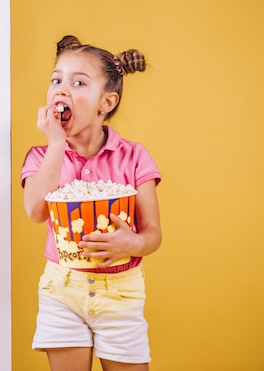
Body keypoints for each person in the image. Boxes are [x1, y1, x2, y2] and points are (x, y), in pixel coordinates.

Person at [20, 35, 162, 371]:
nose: (61, 89)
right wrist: (56, 145)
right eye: (56, 80)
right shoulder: (42, 156)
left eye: (78, 82)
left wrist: (134, 242)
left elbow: (154, 233)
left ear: (106, 101)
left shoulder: (133, 156)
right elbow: (35, 211)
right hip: (62, 290)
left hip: (120, 292)